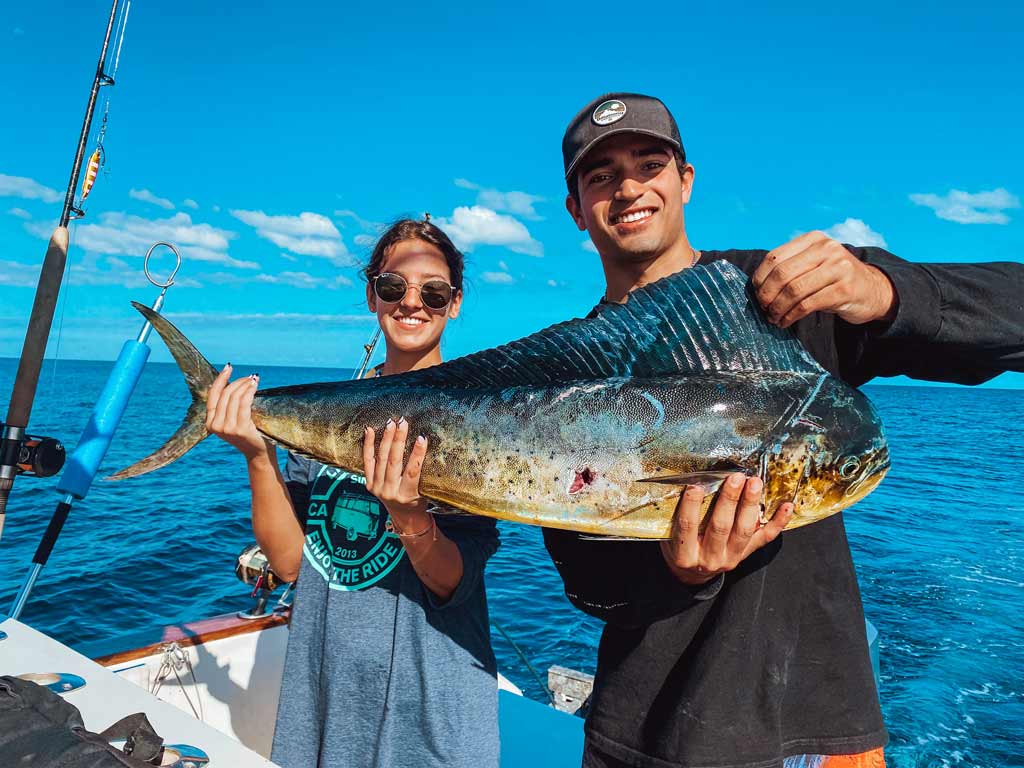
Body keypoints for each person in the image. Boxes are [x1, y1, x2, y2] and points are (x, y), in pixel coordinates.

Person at [543, 92, 1024, 768]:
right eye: (601, 175)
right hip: (647, 737)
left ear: (685, 181)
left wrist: (884, 292)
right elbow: (589, 580)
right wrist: (676, 574)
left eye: (650, 163)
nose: (628, 186)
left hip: (819, 736)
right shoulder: (564, 371)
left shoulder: (785, 298)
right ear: (577, 209)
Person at [205, 218, 501, 768]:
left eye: (433, 292)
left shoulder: (477, 414)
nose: (412, 302)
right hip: (326, 695)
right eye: (394, 287)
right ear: (372, 295)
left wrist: (409, 515)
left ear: (454, 303)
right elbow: (291, 562)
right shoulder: (327, 414)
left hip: (430, 700)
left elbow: (454, 580)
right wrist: (257, 454)